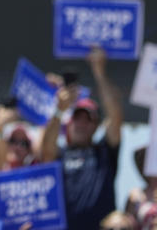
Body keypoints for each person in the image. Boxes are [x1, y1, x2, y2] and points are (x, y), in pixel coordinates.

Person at [40, 46, 124, 230]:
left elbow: (115, 116)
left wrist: (99, 71)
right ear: (68, 123)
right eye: (77, 118)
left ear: (96, 126)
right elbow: (46, 149)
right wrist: (59, 109)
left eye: (88, 120)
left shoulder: (104, 152)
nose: (81, 124)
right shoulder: (61, 155)